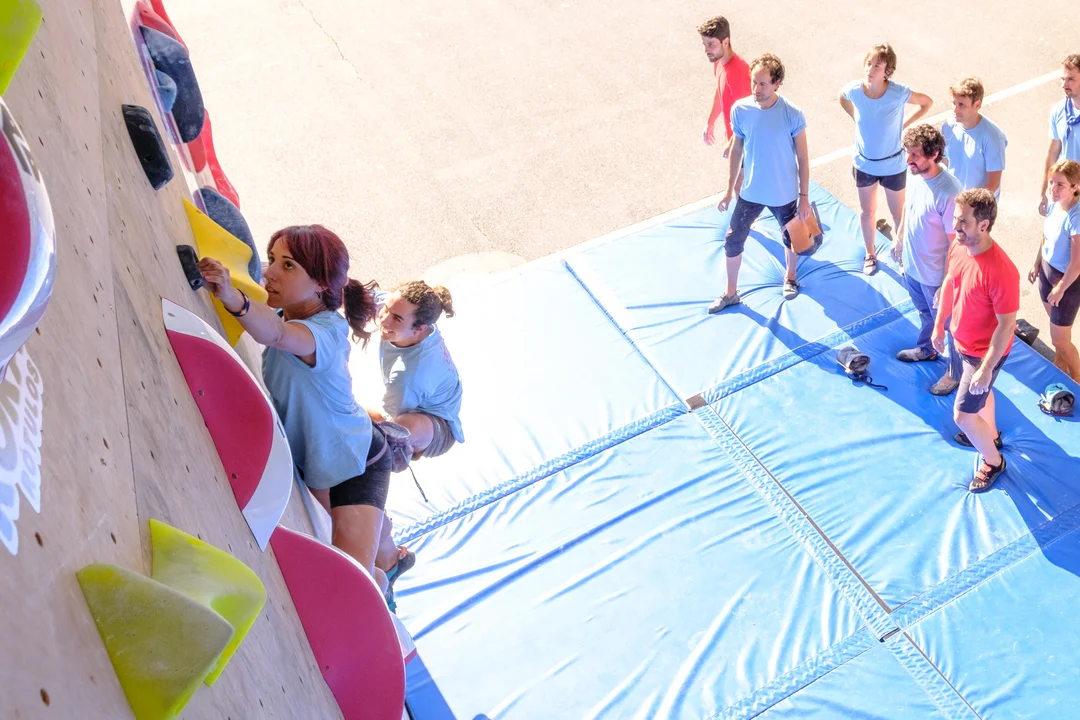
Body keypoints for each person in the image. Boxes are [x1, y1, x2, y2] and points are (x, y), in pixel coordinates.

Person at [198, 225, 395, 590]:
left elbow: (275, 334)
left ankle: (385, 571)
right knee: (363, 545)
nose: (271, 272)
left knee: (352, 583)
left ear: (320, 284)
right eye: (272, 259)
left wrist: (233, 297)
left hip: (357, 466)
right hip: (321, 462)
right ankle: (385, 547)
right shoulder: (288, 310)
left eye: (288, 265)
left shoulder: (325, 332)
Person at [932, 189, 1019, 493]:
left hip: (984, 354)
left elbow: (1007, 326)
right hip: (961, 342)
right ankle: (990, 434)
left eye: (963, 222)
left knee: (963, 415)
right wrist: (939, 325)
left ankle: (994, 461)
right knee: (983, 394)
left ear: (983, 225)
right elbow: (950, 282)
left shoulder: (1002, 271)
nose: (956, 226)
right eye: (955, 219)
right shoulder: (960, 245)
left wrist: (985, 368)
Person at [709, 52, 810, 313]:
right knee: (733, 240)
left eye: (763, 83)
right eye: (754, 82)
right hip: (752, 191)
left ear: (777, 84)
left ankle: (790, 278)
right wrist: (728, 190)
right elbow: (737, 150)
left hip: (784, 193)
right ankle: (731, 293)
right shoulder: (741, 110)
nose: (756, 89)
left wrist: (804, 197)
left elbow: (803, 157)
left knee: (791, 238)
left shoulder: (792, 113)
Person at [838, 43, 933, 275]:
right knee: (867, 211)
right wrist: (855, 117)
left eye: (876, 66)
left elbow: (926, 102)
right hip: (864, 164)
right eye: (868, 63)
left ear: (887, 71)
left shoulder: (897, 93)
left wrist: (905, 125)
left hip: (893, 166)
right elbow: (841, 97)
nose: (870, 70)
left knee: (898, 214)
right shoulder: (854, 90)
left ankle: (901, 254)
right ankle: (870, 253)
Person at [892, 124, 963, 396]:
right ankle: (927, 349)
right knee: (925, 315)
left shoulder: (949, 193)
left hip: (935, 278)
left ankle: (956, 373)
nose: (908, 160)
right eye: (907, 153)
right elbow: (908, 207)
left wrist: (946, 284)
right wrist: (899, 238)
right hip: (913, 269)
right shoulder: (916, 175)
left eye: (915, 155)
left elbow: (956, 243)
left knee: (951, 329)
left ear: (933, 154)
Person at [370, 281, 464, 460]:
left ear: (419, 329)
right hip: (423, 392)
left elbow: (384, 419)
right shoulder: (399, 308)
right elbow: (352, 294)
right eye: (386, 309)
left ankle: (405, 452)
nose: (384, 319)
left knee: (393, 432)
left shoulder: (409, 375)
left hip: (438, 425)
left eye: (396, 318)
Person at [1029, 159, 1080, 380]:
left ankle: (1077, 377)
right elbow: (1046, 236)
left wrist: (1060, 288)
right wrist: (1037, 263)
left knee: (1060, 339)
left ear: (1075, 187)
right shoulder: (1053, 203)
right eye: (1051, 182)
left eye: (1060, 184)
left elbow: (1077, 264)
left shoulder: (1076, 217)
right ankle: (1060, 364)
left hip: (1066, 283)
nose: (1053, 188)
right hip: (1046, 273)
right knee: (1057, 331)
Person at [941, 77, 1008, 196]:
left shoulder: (993, 138)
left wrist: (969, 204)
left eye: (961, 105)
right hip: (952, 200)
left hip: (977, 205)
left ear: (977, 105)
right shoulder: (948, 127)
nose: (955, 109)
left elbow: (993, 184)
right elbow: (944, 163)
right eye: (954, 103)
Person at [698, 15, 751, 157]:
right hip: (736, 145)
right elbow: (720, 92)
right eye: (704, 44)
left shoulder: (738, 75)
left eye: (711, 44)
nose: (706, 50)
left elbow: (749, 117)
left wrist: (733, 144)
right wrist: (710, 122)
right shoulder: (718, 60)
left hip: (746, 148)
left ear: (725, 42)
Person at [1038, 54, 1080, 216]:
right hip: (1065, 191)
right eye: (1062, 79)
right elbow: (1052, 154)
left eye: (1070, 79)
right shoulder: (1059, 110)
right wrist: (1044, 191)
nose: (1064, 85)